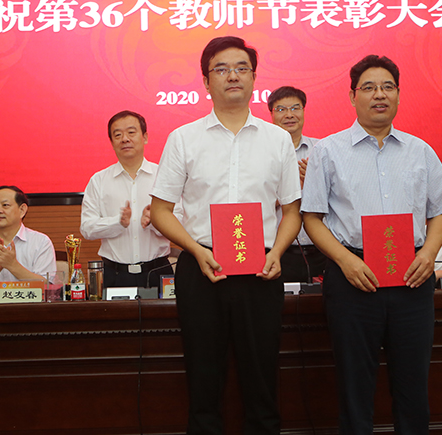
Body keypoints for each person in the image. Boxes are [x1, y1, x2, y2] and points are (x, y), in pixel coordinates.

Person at [301, 54, 442, 434]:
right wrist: (345, 261)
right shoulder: (328, 151)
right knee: (355, 384)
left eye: (388, 87)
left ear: (399, 95)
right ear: (352, 96)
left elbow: (440, 212)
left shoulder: (420, 150)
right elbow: (311, 217)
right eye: (369, 88)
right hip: (353, 278)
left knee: (413, 383)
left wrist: (429, 254)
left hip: (412, 276)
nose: (379, 95)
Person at [150, 36, 302, 434]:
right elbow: (161, 211)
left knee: (262, 377)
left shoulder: (277, 140)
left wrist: (278, 252)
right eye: (221, 69)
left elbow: (292, 211)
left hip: (261, 270)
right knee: (203, 377)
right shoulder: (184, 138)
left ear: (254, 77)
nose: (232, 75)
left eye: (241, 68)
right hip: (202, 268)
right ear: (206, 81)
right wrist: (195, 250)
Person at [81, 110, 180, 288]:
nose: (125, 139)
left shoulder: (163, 176)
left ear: (145, 137)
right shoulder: (99, 180)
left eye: (131, 132)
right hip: (114, 274)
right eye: (118, 135)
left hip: (157, 272)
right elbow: (87, 228)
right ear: (112, 143)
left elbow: (181, 222)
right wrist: (117, 223)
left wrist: (156, 221)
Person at [267, 86, 326, 282]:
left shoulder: (322, 150)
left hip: (322, 250)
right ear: (271, 114)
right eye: (281, 109)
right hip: (277, 252)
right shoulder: (262, 154)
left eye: (295, 108)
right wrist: (291, 187)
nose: (289, 115)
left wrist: (315, 182)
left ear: (303, 111)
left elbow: (341, 200)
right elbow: (254, 203)